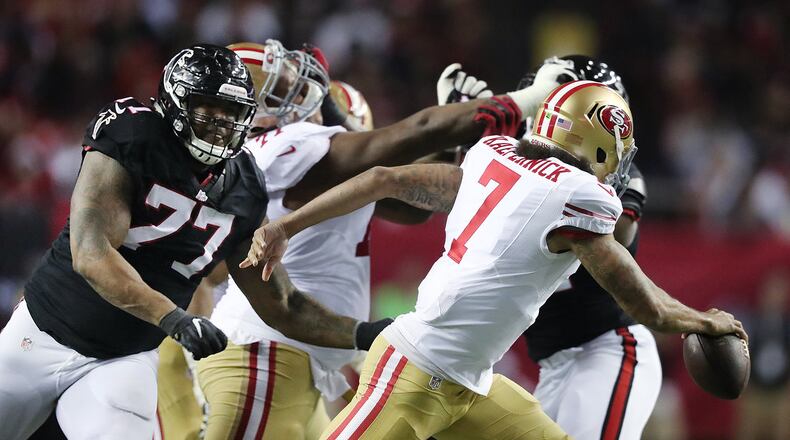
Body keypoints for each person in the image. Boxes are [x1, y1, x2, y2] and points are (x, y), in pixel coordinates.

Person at [243, 82, 748, 440]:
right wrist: (705, 319)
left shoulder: (494, 153)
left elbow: (384, 179)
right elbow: (644, 305)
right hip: (418, 371)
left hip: (470, 383)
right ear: (599, 145)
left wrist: (286, 225)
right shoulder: (577, 196)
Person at [0, 44, 381, 440]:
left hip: (123, 361)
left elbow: (283, 304)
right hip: (41, 336)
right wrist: (174, 319)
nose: (220, 123)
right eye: (208, 108)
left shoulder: (245, 186)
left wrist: (365, 334)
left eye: (232, 113)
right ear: (174, 102)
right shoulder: (133, 133)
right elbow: (92, 254)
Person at [195, 39, 569, 440]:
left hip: (291, 363)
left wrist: (452, 139)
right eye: (284, 86)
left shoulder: (299, 163)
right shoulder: (284, 146)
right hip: (264, 356)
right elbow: (406, 138)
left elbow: (411, 203)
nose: (303, 93)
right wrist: (525, 101)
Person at [443, 55, 662, 440]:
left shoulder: (609, 179)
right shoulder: (510, 163)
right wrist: (454, 135)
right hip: (553, 365)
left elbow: (613, 236)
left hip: (607, 350)